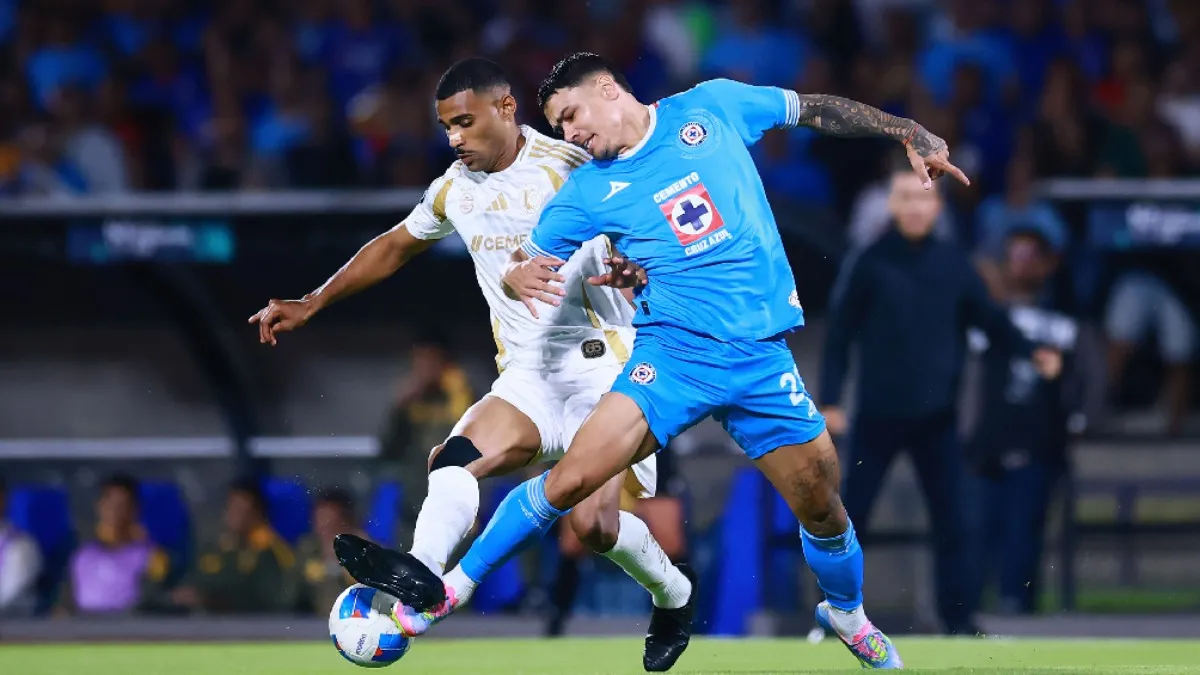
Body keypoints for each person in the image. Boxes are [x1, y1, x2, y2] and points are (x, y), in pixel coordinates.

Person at [339, 51, 970, 671]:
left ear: (608, 90)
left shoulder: (711, 107)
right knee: (568, 483)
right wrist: (518, 274)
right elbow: (527, 258)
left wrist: (907, 131)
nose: (569, 133)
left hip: (759, 358)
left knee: (823, 508)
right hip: (670, 358)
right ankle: (440, 599)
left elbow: (811, 110)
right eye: (558, 125)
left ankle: (848, 615)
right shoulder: (586, 189)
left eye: (571, 116)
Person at [249, 58, 693, 666]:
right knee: (453, 458)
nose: (454, 138)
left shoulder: (572, 166)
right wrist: (313, 301)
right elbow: (395, 245)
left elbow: (647, 229)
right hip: (528, 377)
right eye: (446, 127)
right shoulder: (453, 190)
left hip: (606, 370)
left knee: (594, 526)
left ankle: (674, 595)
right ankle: (421, 572)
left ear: (505, 108)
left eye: (464, 122)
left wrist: (636, 271)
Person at [819, 158, 1062, 635]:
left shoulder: (954, 264)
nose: (915, 207)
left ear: (938, 206)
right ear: (892, 204)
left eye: (923, 198)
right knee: (850, 520)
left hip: (938, 418)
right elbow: (839, 336)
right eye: (905, 198)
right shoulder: (869, 262)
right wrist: (830, 401)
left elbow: (990, 319)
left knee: (956, 521)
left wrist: (1032, 352)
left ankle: (958, 620)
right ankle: (839, 617)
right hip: (878, 416)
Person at [964, 225, 1087, 616]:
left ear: (1048, 265)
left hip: (1038, 444)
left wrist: (1077, 424)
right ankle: (965, 610)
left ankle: (1018, 610)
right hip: (987, 445)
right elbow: (968, 381)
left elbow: (1083, 382)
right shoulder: (985, 320)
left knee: (1024, 531)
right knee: (978, 531)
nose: (1021, 265)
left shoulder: (1063, 324)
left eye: (1030, 256)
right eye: (1014, 256)